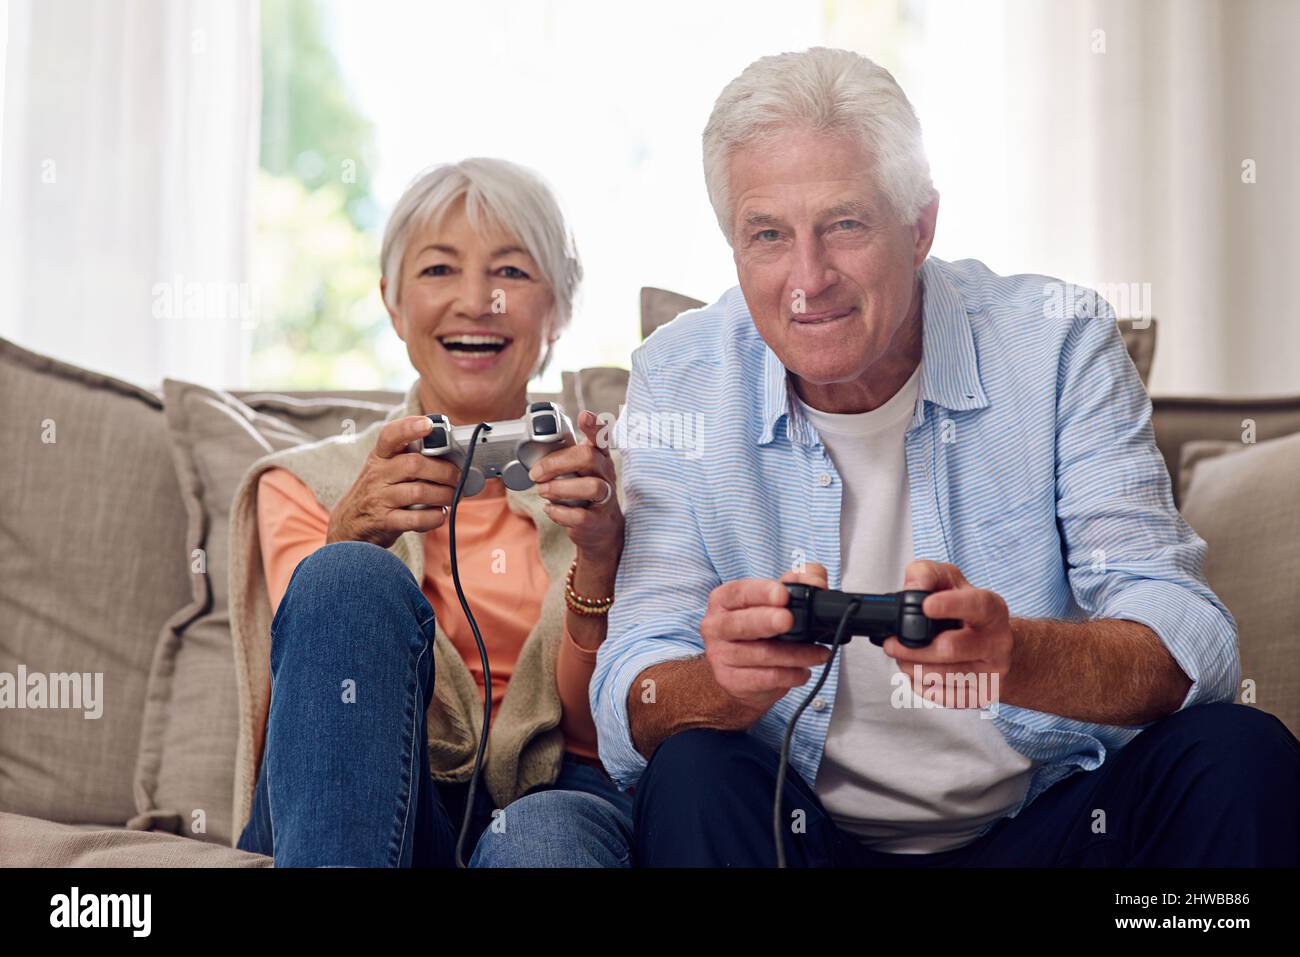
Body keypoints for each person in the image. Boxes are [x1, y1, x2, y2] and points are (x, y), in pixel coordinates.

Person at [590, 47, 1300, 867]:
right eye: (768, 236)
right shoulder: (679, 377)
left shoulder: (1057, 340)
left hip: (1048, 827)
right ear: (733, 244)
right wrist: (722, 681)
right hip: (807, 839)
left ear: (921, 224)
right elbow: (629, 692)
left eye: (845, 224)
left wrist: (1016, 654)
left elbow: (1190, 637)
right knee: (692, 770)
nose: (807, 280)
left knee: (1238, 753)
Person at [226, 157, 632, 867]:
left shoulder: (611, 485)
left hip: (555, 794)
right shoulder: (306, 483)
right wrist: (348, 535)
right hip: (365, 789)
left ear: (559, 309)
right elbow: (313, 707)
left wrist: (600, 554)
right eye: (439, 270)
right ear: (392, 302)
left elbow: (597, 735)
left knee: (547, 843)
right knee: (344, 575)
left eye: (511, 272)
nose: (477, 301)